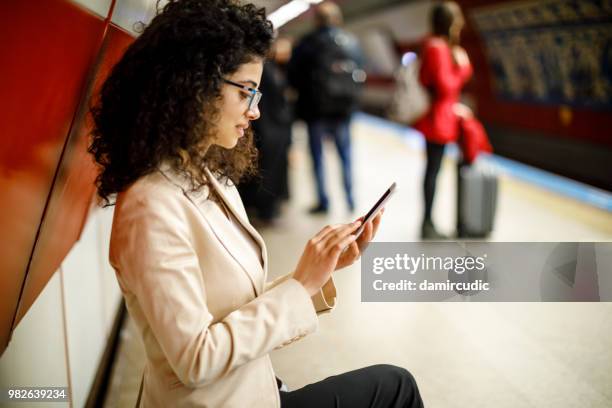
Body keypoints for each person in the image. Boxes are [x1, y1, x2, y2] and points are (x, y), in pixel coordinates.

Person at [88, 1, 424, 407]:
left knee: (393, 384)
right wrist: (302, 284)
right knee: (396, 388)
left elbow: (232, 306)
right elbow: (196, 359)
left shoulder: (203, 174)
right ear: (193, 85)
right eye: (247, 91)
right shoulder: (150, 206)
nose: (256, 110)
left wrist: (318, 273)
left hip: (253, 392)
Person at [288, 1, 365, 215]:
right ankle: (350, 200)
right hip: (343, 111)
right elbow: (361, 73)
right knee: (346, 156)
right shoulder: (352, 43)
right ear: (337, 19)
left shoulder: (307, 43)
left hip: (315, 112)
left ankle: (323, 201)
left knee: (318, 158)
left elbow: (293, 76)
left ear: (317, 20)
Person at [414, 1, 473, 239]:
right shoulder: (438, 47)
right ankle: (427, 223)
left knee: (433, 169)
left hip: (441, 116)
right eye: (457, 20)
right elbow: (445, 85)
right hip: (438, 119)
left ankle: (429, 221)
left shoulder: (433, 45)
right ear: (449, 22)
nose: (461, 24)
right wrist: (463, 68)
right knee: (433, 170)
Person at [239, 38, 294, 225]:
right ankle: (265, 210)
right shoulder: (265, 72)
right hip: (269, 129)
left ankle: (265, 208)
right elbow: (260, 102)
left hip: (272, 129)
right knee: (267, 172)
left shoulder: (272, 70)